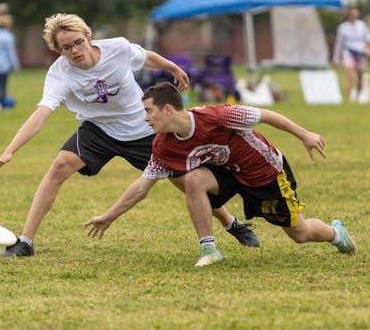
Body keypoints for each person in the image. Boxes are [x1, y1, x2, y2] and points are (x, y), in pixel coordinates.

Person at [0, 13, 259, 257]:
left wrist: (172, 67)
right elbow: (41, 113)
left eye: (78, 42)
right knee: (59, 166)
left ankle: (230, 223)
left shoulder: (117, 48)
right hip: (98, 129)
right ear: (58, 51)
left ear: (88, 36)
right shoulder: (59, 74)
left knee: (184, 179)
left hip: (142, 127)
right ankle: (26, 241)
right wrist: (10, 150)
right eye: (66, 48)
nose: (75, 50)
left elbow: (147, 57)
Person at [84, 81, 355, 267]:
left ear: (167, 110)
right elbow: (143, 186)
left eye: (148, 111)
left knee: (300, 233)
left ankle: (335, 233)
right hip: (228, 174)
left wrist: (304, 134)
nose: (145, 118)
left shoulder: (217, 116)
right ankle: (209, 248)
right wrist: (109, 216)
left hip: (265, 172)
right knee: (192, 179)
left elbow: (266, 115)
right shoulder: (163, 144)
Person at [331, 7, 370, 102]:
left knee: (361, 75)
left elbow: (368, 37)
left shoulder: (362, 25)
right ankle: (349, 98)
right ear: (348, 16)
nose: (354, 16)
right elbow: (339, 44)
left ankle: (358, 95)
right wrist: (335, 59)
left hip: (360, 52)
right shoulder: (343, 27)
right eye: (352, 15)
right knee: (350, 75)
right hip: (348, 51)